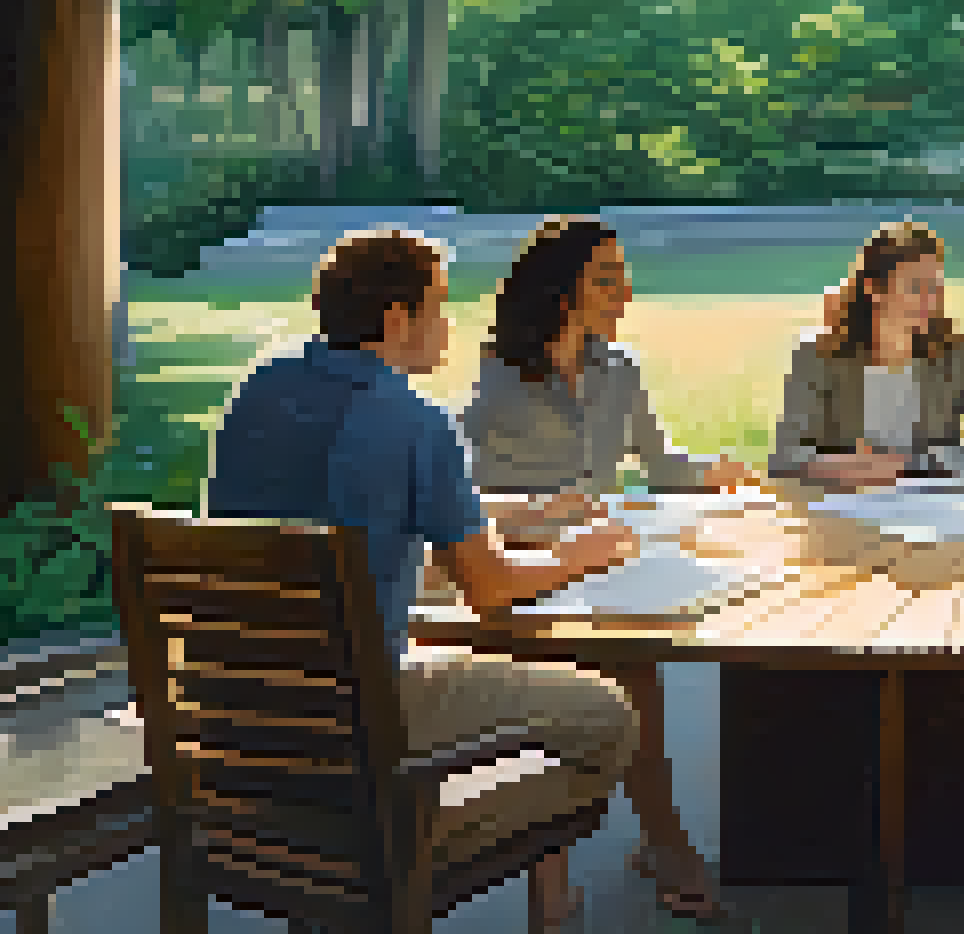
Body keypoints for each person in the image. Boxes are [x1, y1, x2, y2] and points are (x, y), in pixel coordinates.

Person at [204, 228, 640, 927]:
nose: (449, 323)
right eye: (439, 305)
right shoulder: (412, 420)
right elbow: (489, 585)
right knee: (607, 716)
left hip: (242, 716)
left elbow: (338, 497)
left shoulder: (256, 392)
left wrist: (509, 511)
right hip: (360, 712)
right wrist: (580, 554)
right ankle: (402, 847)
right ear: (396, 319)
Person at [458, 215, 757, 926]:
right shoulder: (500, 375)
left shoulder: (620, 371)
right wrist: (534, 513)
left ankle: (652, 842)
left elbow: (660, 466)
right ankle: (655, 843)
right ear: (563, 292)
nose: (624, 291)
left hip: (603, 563)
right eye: (606, 278)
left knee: (640, 653)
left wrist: (710, 474)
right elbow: (459, 490)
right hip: (520, 573)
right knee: (622, 671)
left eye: (622, 276)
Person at [769, 220, 964, 486]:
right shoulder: (818, 356)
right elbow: (783, 461)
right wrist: (840, 467)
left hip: (938, 517)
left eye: (935, 286)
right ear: (873, 289)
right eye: (916, 287)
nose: (931, 299)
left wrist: (912, 466)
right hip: (845, 514)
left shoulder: (958, 356)